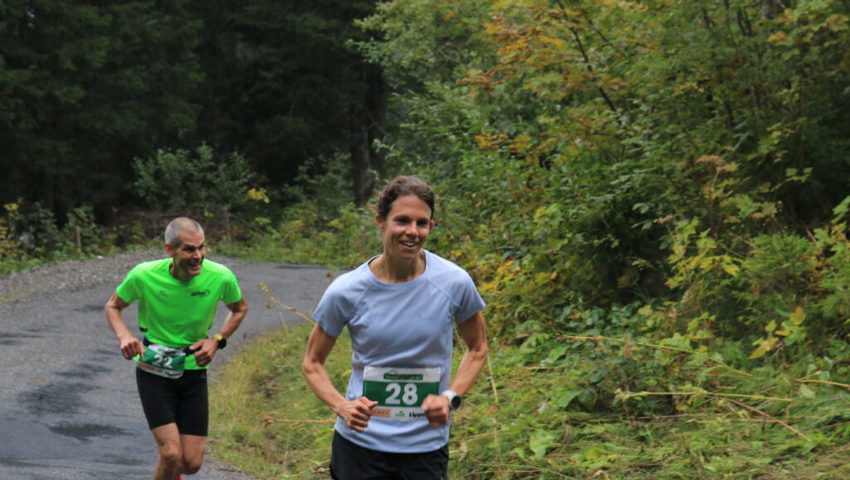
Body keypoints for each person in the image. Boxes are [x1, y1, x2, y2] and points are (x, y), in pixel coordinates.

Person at [302, 176, 489, 480]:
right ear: (380, 221)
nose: (412, 232)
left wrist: (450, 396)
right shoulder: (347, 290)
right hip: (360, 445)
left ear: (431, 226)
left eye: (422, 223)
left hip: (425, 447)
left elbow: (478, 348)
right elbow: (312, 363)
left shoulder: (454, 282)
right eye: (402, 220)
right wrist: (342, 406)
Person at [105, 217, 248, 480]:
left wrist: (217, 339)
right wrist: (124, 336)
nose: (198, 256)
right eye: (189, 250)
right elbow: (113, 306)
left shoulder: (220, 276)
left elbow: (239, 309)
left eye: (201, 248)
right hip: (153, 371)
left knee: (190, 463)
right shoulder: (143, 275)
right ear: (170, 250)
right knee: (170, 454)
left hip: (193, 372)